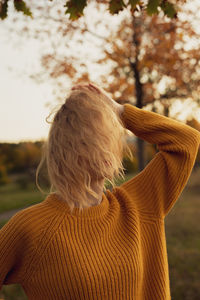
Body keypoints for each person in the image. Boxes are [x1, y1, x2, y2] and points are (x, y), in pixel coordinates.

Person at [0, 83, 199, 300]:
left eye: (107, 134)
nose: (105, 147)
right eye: (90, 139)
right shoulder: (32, 228)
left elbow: (187, 141)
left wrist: (119, 111)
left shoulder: (138, 203)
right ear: (66, 150)